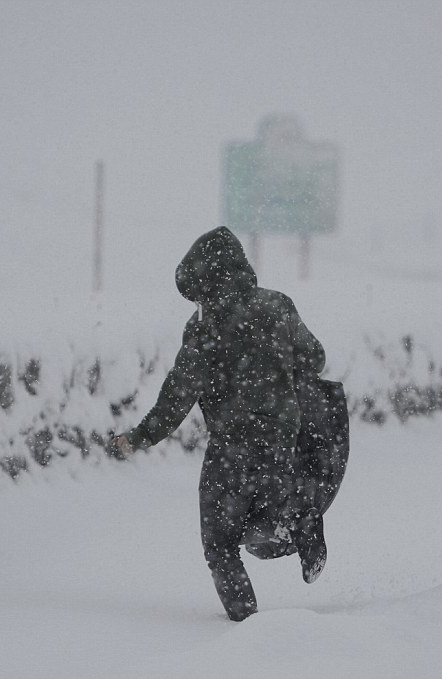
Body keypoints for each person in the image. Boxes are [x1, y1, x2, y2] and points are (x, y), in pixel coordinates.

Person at [110, 226, 327, 622]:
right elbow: (315, 358)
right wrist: (278, 374)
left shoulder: (204, 329)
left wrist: (138, 438)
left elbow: (177, 396)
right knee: (266, 517)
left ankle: (245, 627)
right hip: (282, 441)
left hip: (233, 448)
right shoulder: (278, 305)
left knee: (221, 543)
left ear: (204, 280)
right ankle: (299, 519)